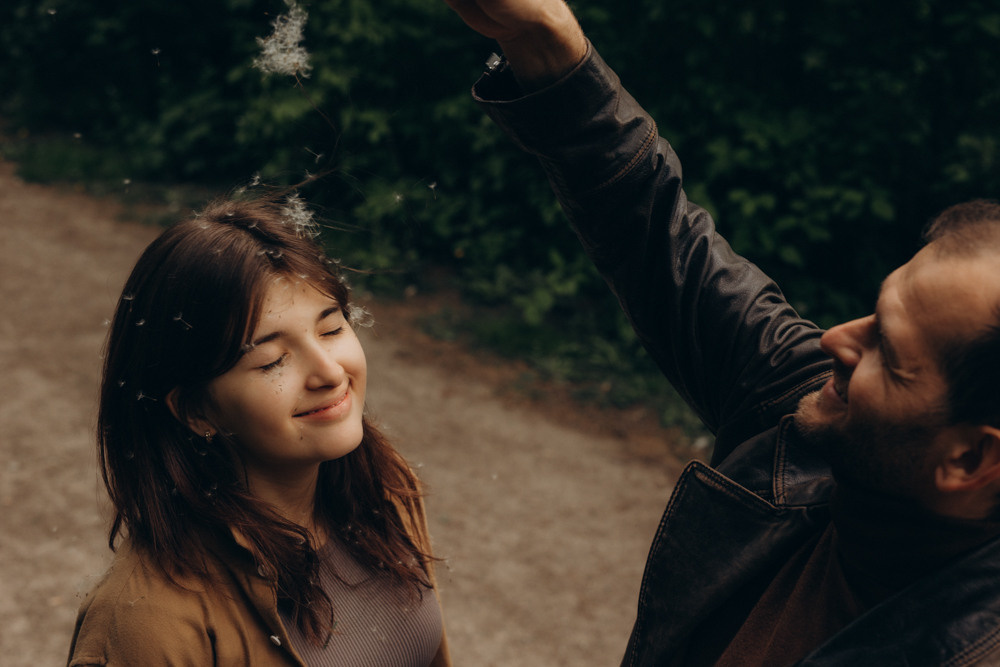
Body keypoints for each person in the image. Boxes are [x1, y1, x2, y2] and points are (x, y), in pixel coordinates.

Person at [445, 1, 1000, 665]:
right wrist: (550, 45)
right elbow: (661, 239)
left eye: (888, 350)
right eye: (873, 314)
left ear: (969, 460)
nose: (835, 341)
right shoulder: (808, 418)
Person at [67, 197, 451, 666]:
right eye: (272, 360)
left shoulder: (384, 487)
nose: (330, 372)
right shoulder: (143, 626)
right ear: (196, 411)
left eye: (331, 329)